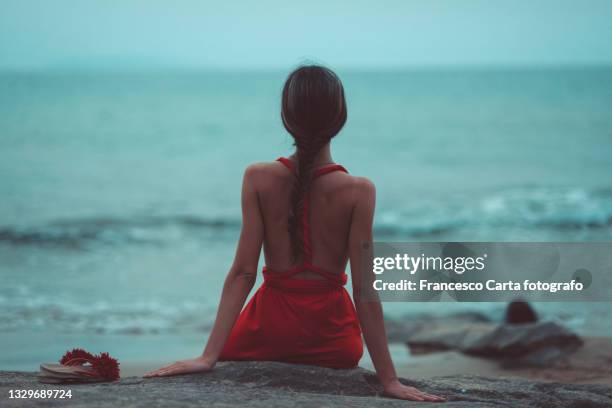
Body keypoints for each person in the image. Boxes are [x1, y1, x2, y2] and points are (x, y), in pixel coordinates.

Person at [144, 65, 445, 402]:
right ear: (340, 118)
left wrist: (207, 357)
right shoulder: (359, 191)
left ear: (286, 118)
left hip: (265, 333)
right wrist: (389, 380)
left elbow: (243, 272)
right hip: (333, 342)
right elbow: (365, 291)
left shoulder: (257, 178)